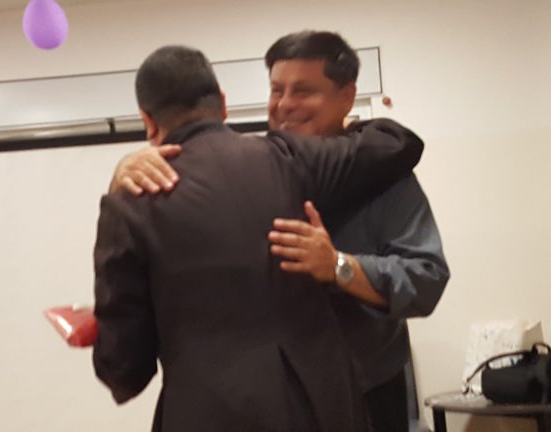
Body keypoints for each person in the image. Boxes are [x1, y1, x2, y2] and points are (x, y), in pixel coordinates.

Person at [109, 31, 449, 432]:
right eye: (276, 90)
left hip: (368, 389)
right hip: (269, 405)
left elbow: (426, 278)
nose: (285, 104)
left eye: (303, 91)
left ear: (347, 96)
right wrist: (123, 178)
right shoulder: (246, 170)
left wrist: (339, 266)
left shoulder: (386, 175)